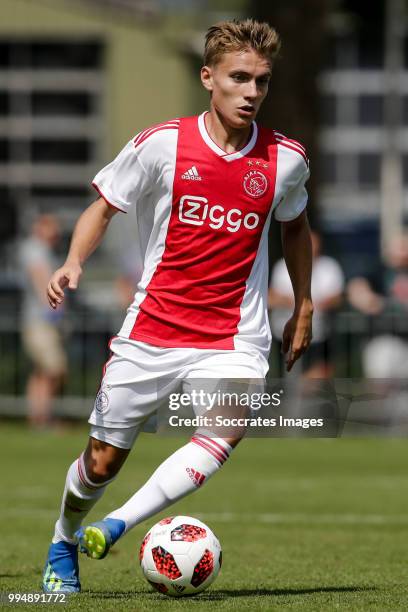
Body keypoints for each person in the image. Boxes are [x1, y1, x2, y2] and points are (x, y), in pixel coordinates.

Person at [42, 19, 313, 593]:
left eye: (261, 82)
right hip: (153, 330)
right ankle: (64, 537)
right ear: (208, 77)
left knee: (224, 429)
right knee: (100, 464)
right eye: (240, 78)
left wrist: (305, 303)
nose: (251, 92)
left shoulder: (285, 159)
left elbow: (295, 228)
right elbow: (104, 204)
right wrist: (73, 261)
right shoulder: (161, 143)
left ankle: (118, 524)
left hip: (235, 334)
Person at [269, 230, 344, 378]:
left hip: (319, 333)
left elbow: (337, 297)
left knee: (318, 373)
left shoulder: (329, 267)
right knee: (288, 374)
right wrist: (295, 303)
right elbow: (271, 296)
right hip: (286, 332)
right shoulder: (282, 266)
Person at [19, 214, 67, 428]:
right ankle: (43, 417)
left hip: (42, 321)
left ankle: (38, 417)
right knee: (54, 368)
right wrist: (54, 307)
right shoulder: (35, 248)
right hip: (39, 321)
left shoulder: (43, 249)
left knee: (40, 372)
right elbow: (40, 278)